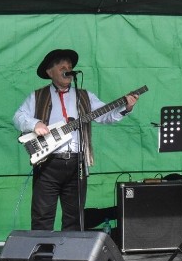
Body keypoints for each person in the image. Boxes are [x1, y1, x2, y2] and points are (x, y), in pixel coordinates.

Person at [13, 48, 138, 231]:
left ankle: (69, 256)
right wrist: (35, 124)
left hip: (77, 164)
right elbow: (18, 117)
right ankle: (41, 256)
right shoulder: (37, 96)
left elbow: (105, 115)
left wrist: (126, 107)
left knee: (74, 218)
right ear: (50, 72)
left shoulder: (85, 96)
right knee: (42, 216)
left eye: (70, 66)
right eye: (62, 65)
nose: (68, 68)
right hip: (48, 163)